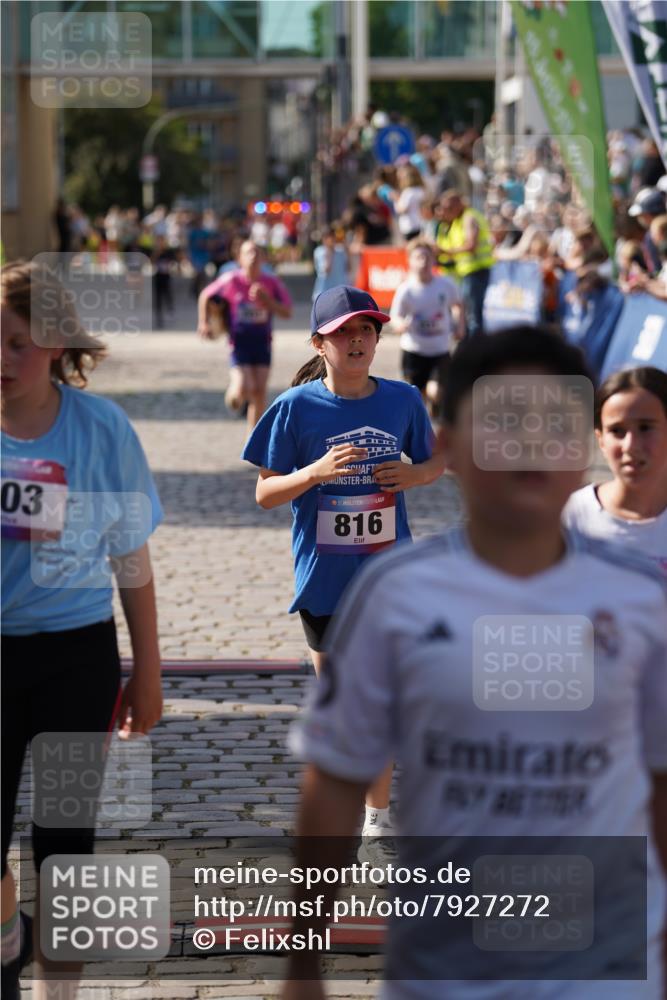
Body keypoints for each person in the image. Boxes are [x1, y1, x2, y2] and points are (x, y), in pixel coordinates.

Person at [282, 326, 667, 999]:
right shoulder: (393, 594)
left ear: (579, 449)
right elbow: (336, 780)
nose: (525, 448)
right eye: (501, 423)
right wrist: (302, 962)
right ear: (450, 447)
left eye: (549, 424)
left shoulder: (639, 602)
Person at [1, 261, 163, 1000]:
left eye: (19, 344)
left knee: (66, 849)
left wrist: (149, 669)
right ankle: (9, 937)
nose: (4, 360)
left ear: (60, 345)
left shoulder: (101, 430)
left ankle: (56, 994)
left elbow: (131, 557)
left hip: (77, 658)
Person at [242, 285, 445, 865]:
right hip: (325, 584)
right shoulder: (296, 408)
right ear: (319, 343)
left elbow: (437, 462)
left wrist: (418, 477)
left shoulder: (403, 401)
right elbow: (263, 494)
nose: (358, 340)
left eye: (367, 330)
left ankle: (377, 819)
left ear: (378, 339)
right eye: (344, 332)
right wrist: (314, 472)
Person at [563, 367, 667, 575]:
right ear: (600, 439)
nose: (631, 445)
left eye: (645, 428)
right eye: (617, 431)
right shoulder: (566, 518)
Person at [197, 240, 292, 428]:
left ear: (264, 258)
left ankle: (252, 438)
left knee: (259, 392)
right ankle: (235, 395)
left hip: (262, 343)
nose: (253, 256)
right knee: (245, 387)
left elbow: (287, 312)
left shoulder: (271, 282)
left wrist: (267, 300)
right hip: (239, 343)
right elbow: (205, 295)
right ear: (239, 259)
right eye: (248, 253)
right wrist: (203, 322)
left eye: (257, 252)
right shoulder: (232, 279)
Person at [389, 238, 463, 415]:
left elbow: (458, 304)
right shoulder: (406, 290)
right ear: (410, 261)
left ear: (433, 260)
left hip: (440, 349)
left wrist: (459, 325)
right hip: (414, 350)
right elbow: (395, 316)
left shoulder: (445, 285)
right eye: (418, 257)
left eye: (427, 257)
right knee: (415, 396)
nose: (423, 262)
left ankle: (435, 408)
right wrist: (400, 325)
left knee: (436, 391)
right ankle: (423, 425)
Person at [435, 189, 495, 337]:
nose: (446, 211)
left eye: (449, 207)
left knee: (473, 313)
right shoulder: (458, 220)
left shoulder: (469, 218)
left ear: (458, 204)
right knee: (468, 312)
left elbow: (471, 245)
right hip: (468, 271)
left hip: (476, 270)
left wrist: (447, 252)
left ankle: (475, 347)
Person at [311, 227, 350, 301]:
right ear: (324, 240)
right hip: (323, 293)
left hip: (339, 293)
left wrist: (347, 251)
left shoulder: (340, 251)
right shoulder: (319, 252)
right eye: (329, 238)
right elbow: (326, 270)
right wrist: (330, 251)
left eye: (333, 237)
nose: (332, 240)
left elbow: (348, 268)